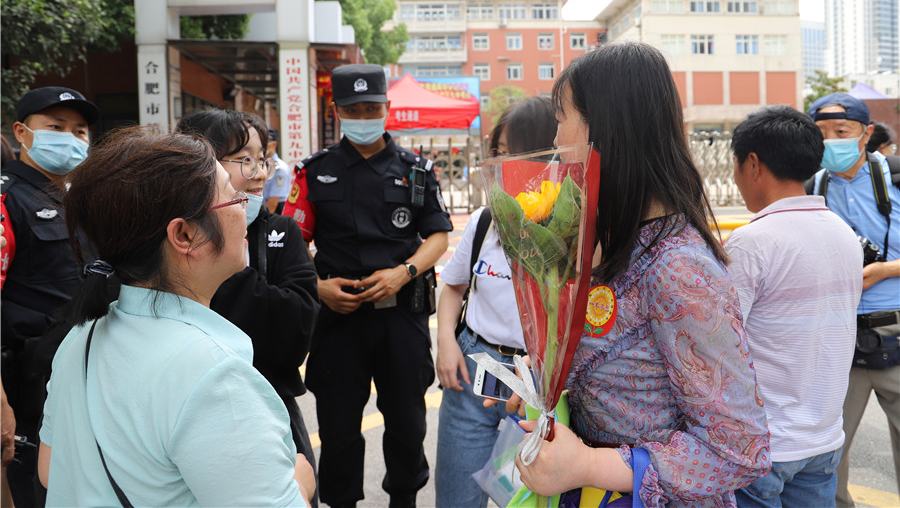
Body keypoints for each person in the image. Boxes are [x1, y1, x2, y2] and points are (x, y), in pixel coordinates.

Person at [504, 43, 770, 507]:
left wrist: (590, 465)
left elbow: (740, 450)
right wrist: (548, 388)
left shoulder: (679, 267)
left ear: (606, 128)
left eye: (562, 119)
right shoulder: (609, 242)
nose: (556, 140)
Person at [37, 127, 314, 506]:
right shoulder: (215, 376)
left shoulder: (79, 340)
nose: (244, 204)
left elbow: (50, 468)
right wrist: (301, 483)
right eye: (232, 197)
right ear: (184, 235)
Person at [282, 64, 452, 508]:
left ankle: (404, 499)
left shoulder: (415, 170)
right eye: (353, 109)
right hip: (339, 323)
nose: (363, 117)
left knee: (408, 425)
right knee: (338, 430)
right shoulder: (313, 172)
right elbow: (291, 242)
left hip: (402, 320)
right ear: (337, 111)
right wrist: (318, 288)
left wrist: (404, 272)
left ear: (386, 107)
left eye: (371, 108)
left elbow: (438, 236)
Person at [175, 108, 320, 505]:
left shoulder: (281, 231)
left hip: (270, 408)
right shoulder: (169, 241)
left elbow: (297, 331)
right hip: (186, 413)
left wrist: (226, 258)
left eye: (263, 159)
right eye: (244, 160)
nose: (260, 174)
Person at [724, 106, 862, 508]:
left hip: (765, 445)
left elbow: (721, 344)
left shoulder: (752, 243)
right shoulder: (843, 233)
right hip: (824, 441)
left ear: (753, 164)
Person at [434, 97, 557, 508]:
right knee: (457, 500)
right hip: (473, 375)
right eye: (498, 152)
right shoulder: (485, 221)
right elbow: (453, 288)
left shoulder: (569, 230)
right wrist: (446, 342)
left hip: (536, 387)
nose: (501, 165)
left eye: (513, 154)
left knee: (527, 501)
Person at [0, 86, 100, 506]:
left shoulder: (80, 199)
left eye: (79, 131)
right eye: (56, 128)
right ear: (22, 133)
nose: (70, 139)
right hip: (27, 388)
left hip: (80, 375)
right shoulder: (6, 199)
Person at [806, 93, 900, 508]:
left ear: (866, 134)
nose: (831, 142)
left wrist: (885, 270)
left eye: (841, 132)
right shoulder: (811, 186)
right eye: (821, 133)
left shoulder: (896, 177)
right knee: (829, 454)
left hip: (895, 327)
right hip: (836, 336)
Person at [264, 127, 292, 213]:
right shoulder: (262, 164)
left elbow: (273, 203)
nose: (262, 146)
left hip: (274, 214)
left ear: (274, 144)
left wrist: (261, 219)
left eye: (266, 142)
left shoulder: (279, 168)